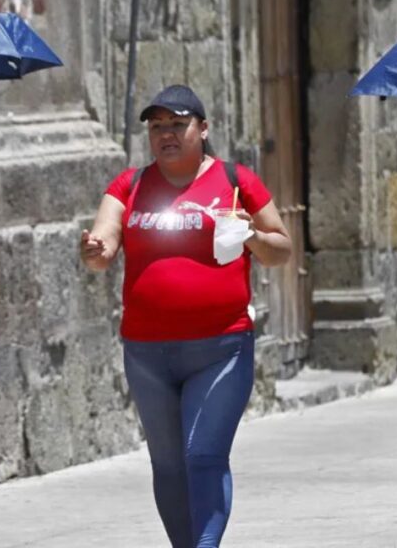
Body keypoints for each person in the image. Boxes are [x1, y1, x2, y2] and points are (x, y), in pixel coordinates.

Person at [81, 85, 292, 547]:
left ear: (203, 129)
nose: (166, 134)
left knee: (202, 454)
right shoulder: (130, 185)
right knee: (169, 464)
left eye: (177, 124)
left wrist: (249, 233)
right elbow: (104, 244)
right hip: (146, 352)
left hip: (220, 348)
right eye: (157, 127)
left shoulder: (236, 181)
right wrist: (96, 251)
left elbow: (281, 249)